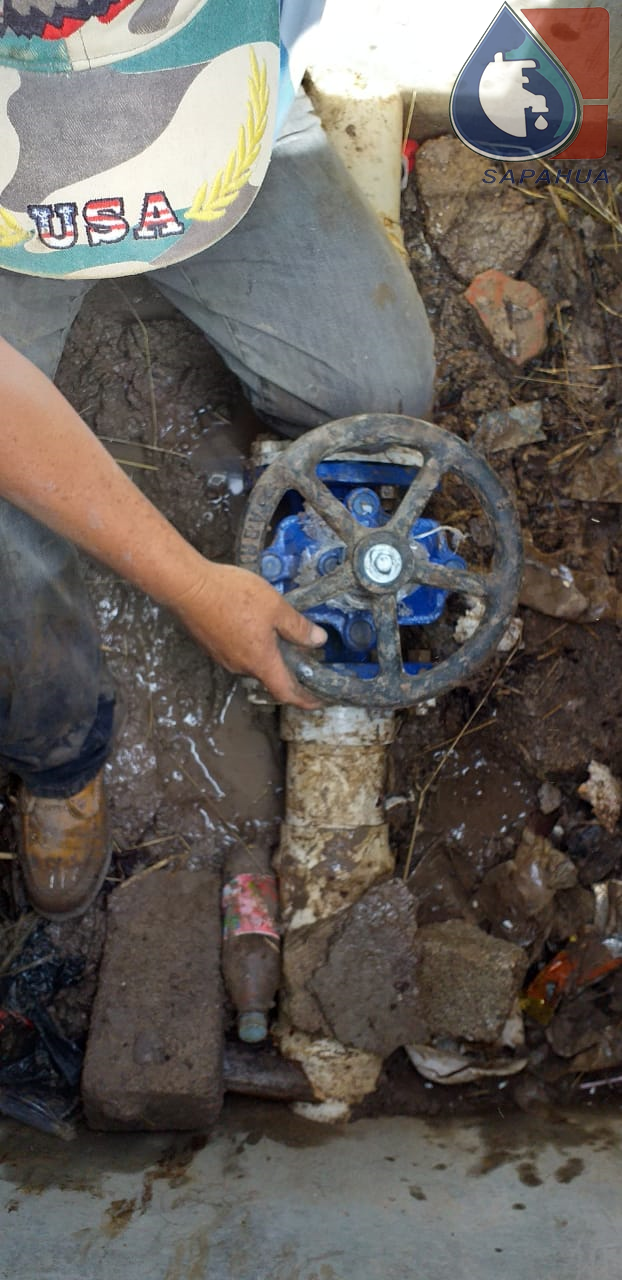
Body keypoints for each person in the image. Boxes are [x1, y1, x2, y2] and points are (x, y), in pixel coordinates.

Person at [0, 0, 435, 919]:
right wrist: (192, 584)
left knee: (377, 392)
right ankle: (58, 751)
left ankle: (316, 582)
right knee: (8, 536)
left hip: (224, 125)